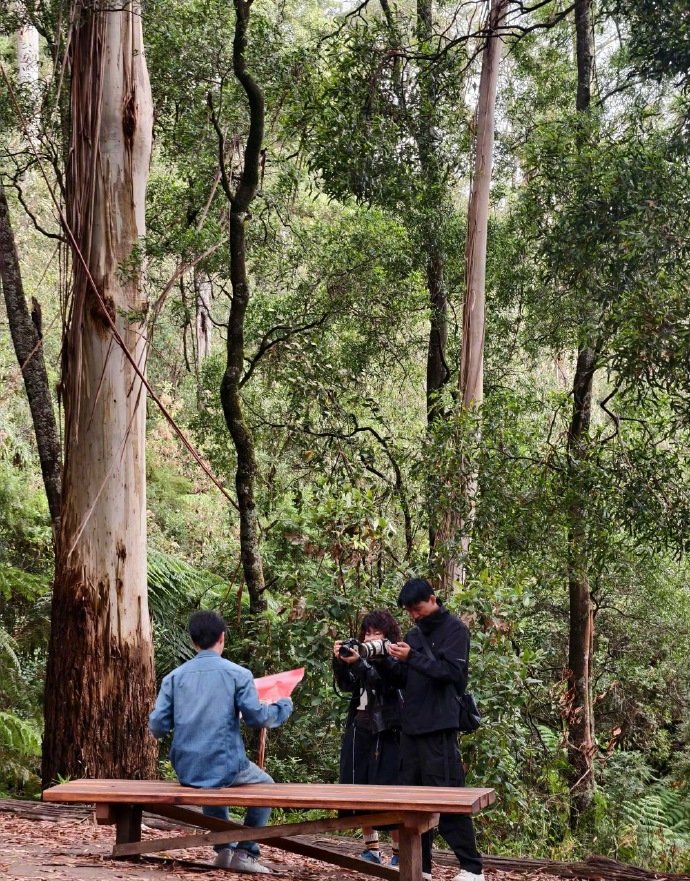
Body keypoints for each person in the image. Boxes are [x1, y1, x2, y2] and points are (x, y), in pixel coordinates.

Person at [149, 610, 293, 873]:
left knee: (210, 784)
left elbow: (157, 726)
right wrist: (283, 706)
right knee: (267, 788)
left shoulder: (174, 677)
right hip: (227, 765)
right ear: (222, 638)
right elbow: (257, 718)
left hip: (187, 768)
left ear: (193, 641)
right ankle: (245, 852)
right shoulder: (238, 674)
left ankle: (224, 849)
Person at [381, 578, 484, 881]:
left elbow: (451, 673)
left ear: (432, 599)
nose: (414, 615)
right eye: (409, 611)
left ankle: (472, 868)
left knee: (447, 797)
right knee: (412, 802)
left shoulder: (456, 630)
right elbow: (404, 679)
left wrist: (412, 657)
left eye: (417, 608)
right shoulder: (414, 635)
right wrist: (384, 661)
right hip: (411, 729)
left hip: (440, 727)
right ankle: (420, 866)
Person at [333, 610, 403, 867]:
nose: (371, 638)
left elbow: (383, 685)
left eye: (377, 633)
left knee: (387, 789)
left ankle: (399, 851)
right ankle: (371, 848)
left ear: (388, 636)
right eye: (368, 633)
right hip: (359, 725)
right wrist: (340, 661)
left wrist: (360, 664)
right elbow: (347, 686)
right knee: (357, 783)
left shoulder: (394, 659)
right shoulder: (360, 654)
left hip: (386, 729)